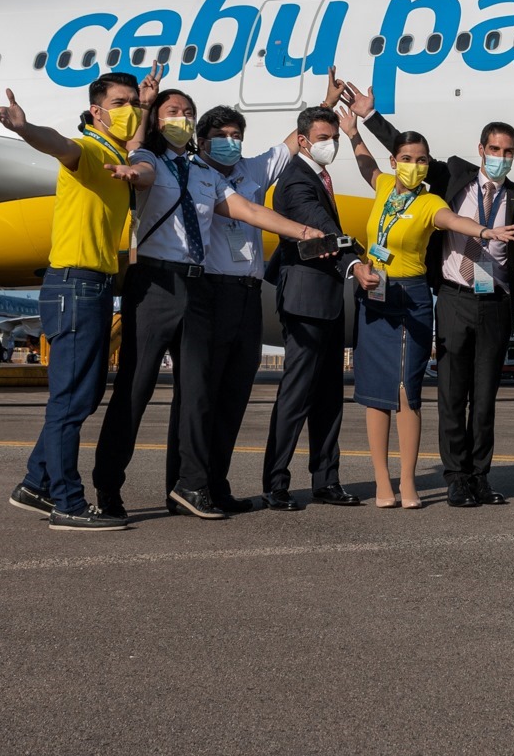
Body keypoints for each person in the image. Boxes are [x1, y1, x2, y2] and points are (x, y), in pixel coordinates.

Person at [93, 77, 322, 520]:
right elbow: (139, 172)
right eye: (172, 112)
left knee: (197, 395)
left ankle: (191, 486)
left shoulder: (203, 173)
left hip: (195, 288)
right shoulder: (147, 158)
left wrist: (305, 232)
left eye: (186, 112)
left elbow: (248, 210)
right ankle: (107, 488)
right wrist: (131, 166)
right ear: (156, 121)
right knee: (134, 392)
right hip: (154, 286)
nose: (181, 118)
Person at [344, 86, 514, 507]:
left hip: (495, 299)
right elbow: (394, 155)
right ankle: (455, 478)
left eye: (509, 150)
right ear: (481, 149)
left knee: (485, 398)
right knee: (451, 392)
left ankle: (479, 476)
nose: (501, 156)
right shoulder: (451, 176)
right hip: (453, 295)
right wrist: (364, 123)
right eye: (495, 148)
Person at [0, 72, 140, 532]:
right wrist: (23, 129)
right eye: (119, 102)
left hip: (93, 286)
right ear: (97, 111)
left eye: (132, 102)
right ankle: (67, 504)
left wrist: (146, 103)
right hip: (75, 284)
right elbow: (59, 145)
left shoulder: (117, 156)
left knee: (85, 394)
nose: (128, 108)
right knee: (70, 400)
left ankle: (37, 483)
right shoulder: (89, 150)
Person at [179, 102, 299, 515]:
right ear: (202, 140)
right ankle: (189, 484)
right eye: (222, 136)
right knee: (202, 395)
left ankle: (216, 483)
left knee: (234, 395)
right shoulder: (194, 172)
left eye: (237, 136)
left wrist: (327, 100)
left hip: (248, 292)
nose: (231, 143)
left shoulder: (252, 170)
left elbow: (290, 145)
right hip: (210, 290)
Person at [262, 105, 383, 511]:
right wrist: (355, 262)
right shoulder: (295, 180)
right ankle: (276, 483)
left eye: (333, 137)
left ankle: (326, 479)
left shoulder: (321, 177)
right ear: (302, 141)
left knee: (330, 395)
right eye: (322, 138)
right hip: (305, 299)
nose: (329, 144)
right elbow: (323, 231)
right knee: (296, 395)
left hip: (328, 300)